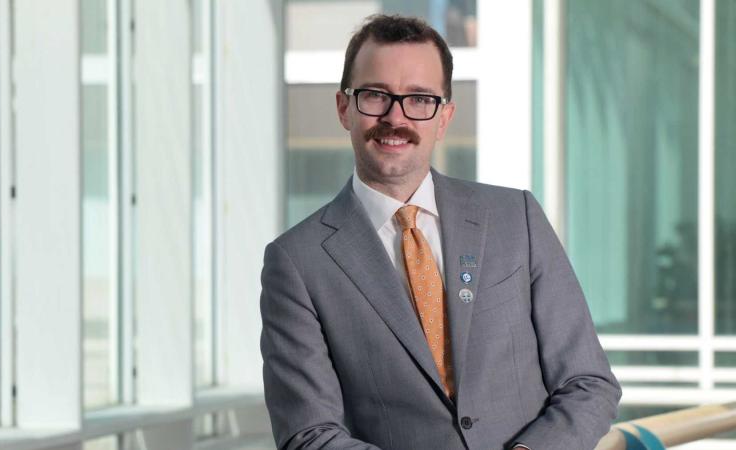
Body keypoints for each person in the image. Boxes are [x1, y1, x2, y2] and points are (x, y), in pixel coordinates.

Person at [260, 14, 620, 450]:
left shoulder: (515, 218)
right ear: (344, 108)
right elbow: (309, 435)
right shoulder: (298, 262)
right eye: (375, 96)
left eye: (419, 99)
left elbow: (588, 381)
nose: (396, 118)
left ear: (444, 116)